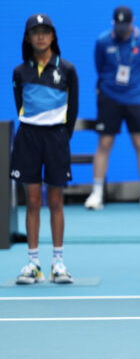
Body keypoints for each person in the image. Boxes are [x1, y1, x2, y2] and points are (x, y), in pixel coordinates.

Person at [10, 14, 78, 284]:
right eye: (35, 32)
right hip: (28, 138)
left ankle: (58, 262)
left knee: (56, 201)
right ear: (27, 38)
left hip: (56, 138)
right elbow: (20, 106)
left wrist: (61, 136)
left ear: (53, 37)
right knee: (34, 202)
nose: (40, 36)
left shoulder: (68, 70)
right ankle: (33, 262)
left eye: (45, 32)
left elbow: (73, 110)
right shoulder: (19, 72)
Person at [84, 6, 140, 210]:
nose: (121, 29)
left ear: (133, 21)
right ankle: (96, 193)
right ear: (113, 24)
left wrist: (134, 86)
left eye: (125, 25)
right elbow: (99, 67)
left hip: (136, 98)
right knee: (104, 143)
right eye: (118, 25)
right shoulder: (102, 41)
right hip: (109, 98)